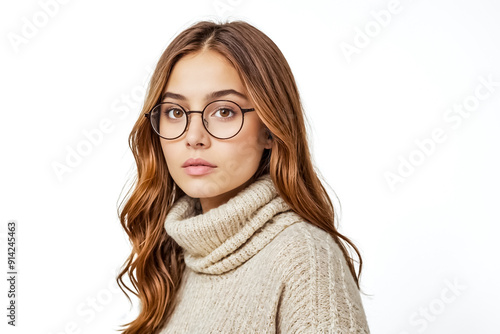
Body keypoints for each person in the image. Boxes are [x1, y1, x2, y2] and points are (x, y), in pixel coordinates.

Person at [116, 20, 370, 333]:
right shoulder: (171, 260)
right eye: (175, 112)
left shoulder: (305, 258)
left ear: (269, 129)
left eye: (224, 111)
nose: (194, 136)